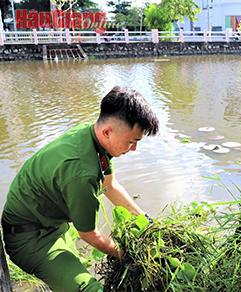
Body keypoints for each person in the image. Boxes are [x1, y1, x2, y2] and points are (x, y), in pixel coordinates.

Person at [1, 86, 160, 292]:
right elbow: (89, 234)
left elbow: (110, 185)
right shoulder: (83, 171)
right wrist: (130, 256)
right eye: (131, 142)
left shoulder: (91, 135)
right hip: (30, 240)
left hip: (55, 225)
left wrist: (147, 221)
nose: (134, 149)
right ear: (107, 132)